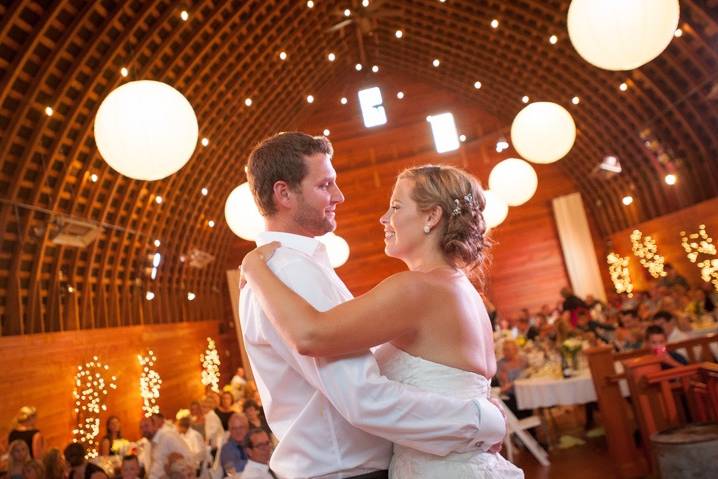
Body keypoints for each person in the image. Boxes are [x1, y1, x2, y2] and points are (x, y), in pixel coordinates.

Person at [240, 132, 519, 478]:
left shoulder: (418, 287)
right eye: (325, 185)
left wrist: (477, 417)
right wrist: (480, 420)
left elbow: (327, 340)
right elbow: (362, 395)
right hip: (346, 471)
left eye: (396, 207)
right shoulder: (287, 270)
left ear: (432, 217)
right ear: (283, 193)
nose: (339, 196)